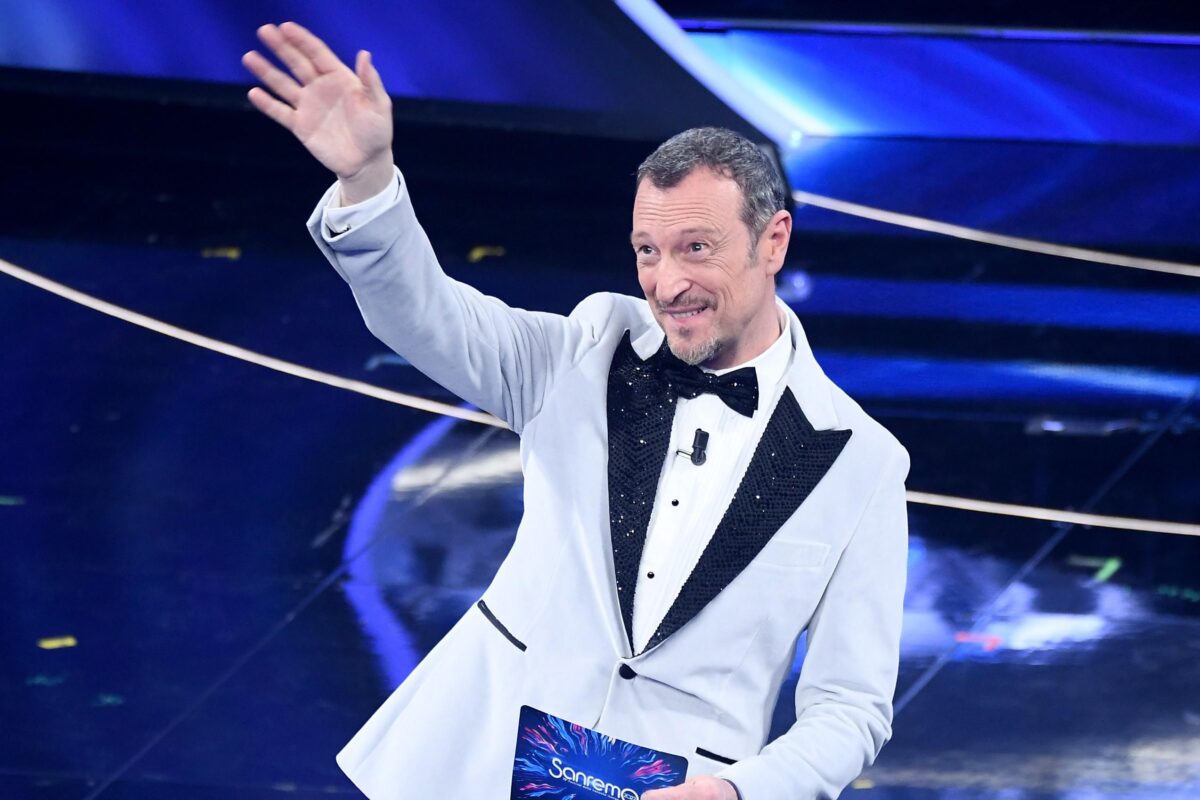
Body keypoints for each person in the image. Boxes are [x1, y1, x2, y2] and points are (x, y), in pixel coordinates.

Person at [243, 21, 910, 800]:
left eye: (696, 248)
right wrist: (368, 180)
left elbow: (850, 707)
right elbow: (429, 318)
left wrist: (740, 791)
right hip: (479, 767)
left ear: (774, 241)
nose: (666, 284)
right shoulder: (587, 350)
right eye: (647, 251)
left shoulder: (860, 462)